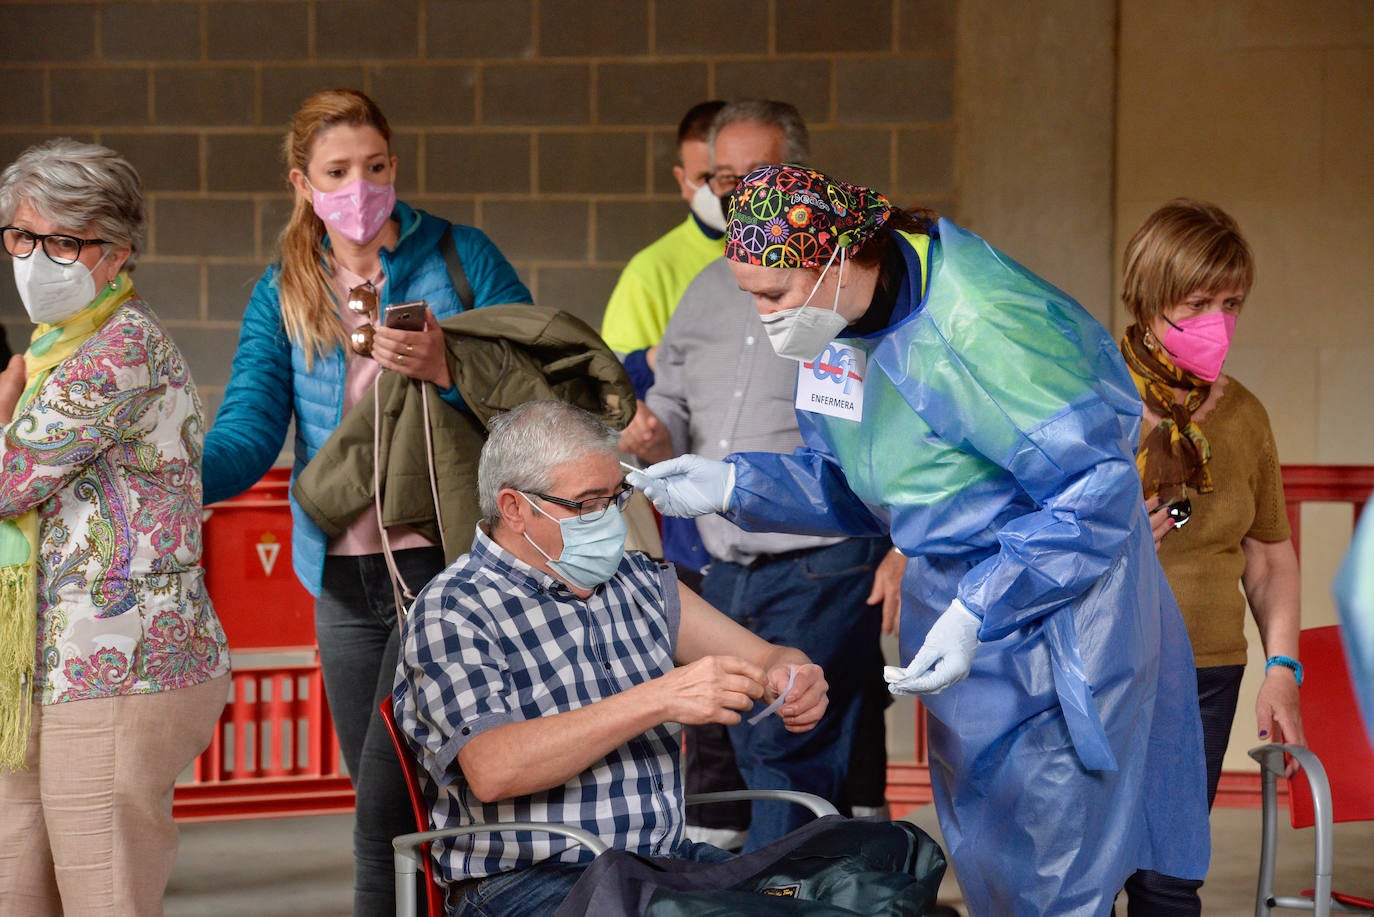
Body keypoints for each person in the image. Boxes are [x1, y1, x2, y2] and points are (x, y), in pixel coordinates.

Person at [629, 164, 1212, 915]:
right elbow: (863, 487)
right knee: (994, 859)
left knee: (1057, 865)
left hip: (1058, 617)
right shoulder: (834, 332)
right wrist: (735, 485)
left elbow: (1095, 489)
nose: (764, 316)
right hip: (964, 625)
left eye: (772, 295)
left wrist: (982, 604)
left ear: (839, 260)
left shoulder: (985, 322)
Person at [394, 400, 947, 916]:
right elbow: (493, 769)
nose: (608, 518)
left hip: (660, 868)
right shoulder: (456, 607)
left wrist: (794, 676)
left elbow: (768, 658)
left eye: (616, 498)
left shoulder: (637, 581)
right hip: (528, 881)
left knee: (881, 870)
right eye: (587, 504)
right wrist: (657, 699)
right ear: (514, 507)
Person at [201, 88, 531, 916]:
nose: (361, 185)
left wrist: (446, 369)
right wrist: (170, 478)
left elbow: (531, 395)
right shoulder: (282, 290)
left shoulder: (460, 255)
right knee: (388, 796)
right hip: (342, 575)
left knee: (391, 808)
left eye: (376, 166)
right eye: (338, 170)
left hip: (450, 563)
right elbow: (248, 426)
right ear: (301, 183)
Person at [622, 99, 902, 852]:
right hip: (727, 563)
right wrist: (652, 433)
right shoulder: (707, 288)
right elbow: (673, 399)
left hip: (824, 559)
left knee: (787, 739)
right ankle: (805, 891)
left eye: (755, 175)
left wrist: (907, 543)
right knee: (751, 745)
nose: (736, 191)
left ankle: (779, 898)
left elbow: (903, 442)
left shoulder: (842, 290)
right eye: (723, 177)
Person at [0, 138, 231, 915]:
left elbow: (8, 480)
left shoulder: (120, 349)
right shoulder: (54, 351)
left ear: (117, 252)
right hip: (39, 665)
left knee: (103, 891)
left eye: (64, 241)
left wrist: (2, 414)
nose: (36, 259)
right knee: (18, 884)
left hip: (116, 664)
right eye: (22, 237)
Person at [1117, 199, 1304, 914]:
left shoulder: (1245, 414)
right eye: (1195, 303)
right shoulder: (1097, 398)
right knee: (1085, 865)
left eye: (1231, 303)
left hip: (1204, 668)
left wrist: (1281, 667)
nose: (1216, 322)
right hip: (1104, 663)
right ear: (1147, 297)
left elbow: (1268, 558)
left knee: (1169, 879)